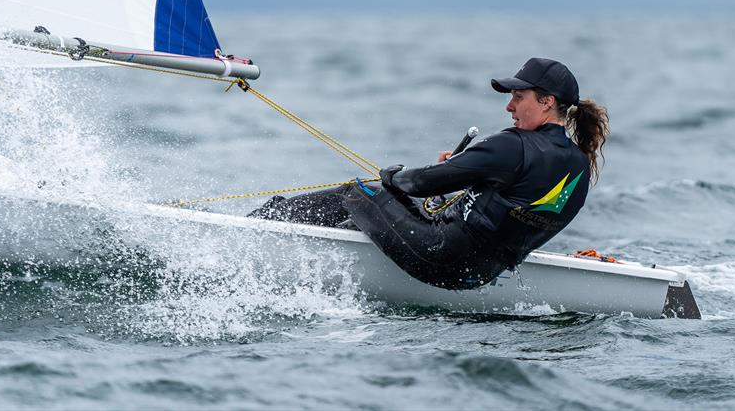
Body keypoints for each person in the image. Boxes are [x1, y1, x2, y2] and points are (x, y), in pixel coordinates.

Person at [249, 57, 609, 290]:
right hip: (479, 276)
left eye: (519, 96)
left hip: (437, 256)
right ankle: (314, 241)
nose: (509, 106)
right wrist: (465, 177)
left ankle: (261, 227)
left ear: (546, 101)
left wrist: (393, 177)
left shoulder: (512, 145)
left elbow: (419, 184)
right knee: (379, 214)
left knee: (357, 194)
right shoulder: (579, 165)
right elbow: (505, 211)